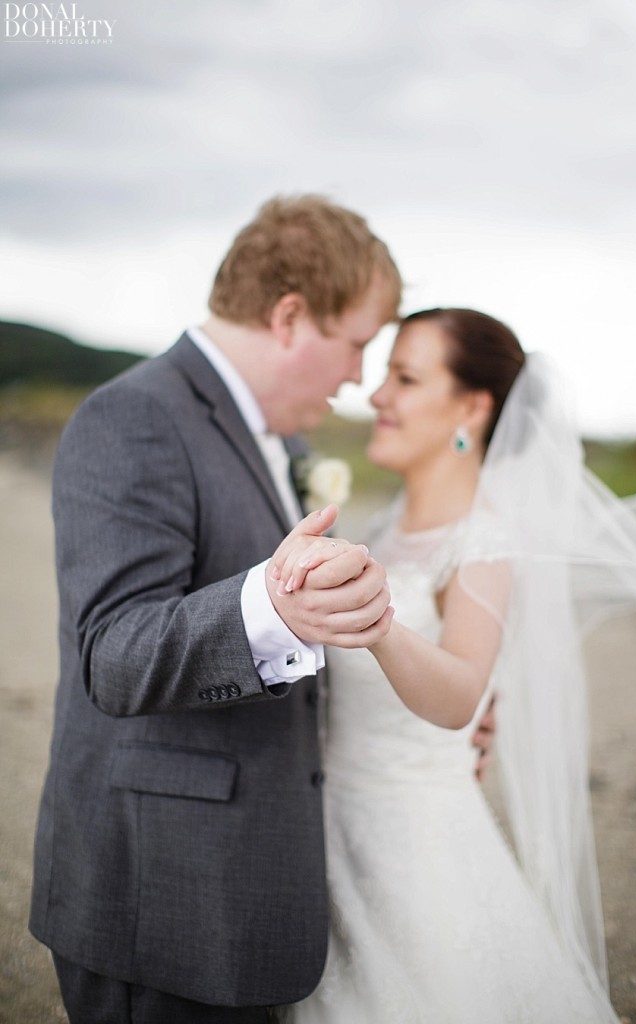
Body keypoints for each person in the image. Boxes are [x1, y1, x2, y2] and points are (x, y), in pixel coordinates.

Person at [29, 194, 404, 1023]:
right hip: (163, 899)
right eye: (358, 343)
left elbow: (303, 644)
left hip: (253, 883)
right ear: (291, 317)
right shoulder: (133, 415)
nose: (357, 374)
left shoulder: (289, 444)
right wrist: (270, 604)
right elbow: (113, 653)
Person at [273, 308, 636, 1023]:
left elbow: (462, 690)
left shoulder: (484, 538)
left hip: (416, 852)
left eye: (404, 378)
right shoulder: (389, 521)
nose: (377, 396)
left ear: (471, 406)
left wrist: (374, 621)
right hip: (331, 836)